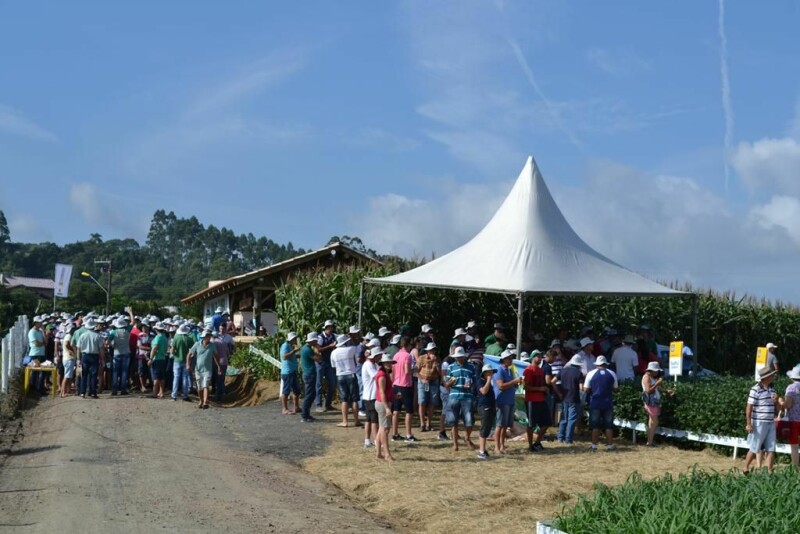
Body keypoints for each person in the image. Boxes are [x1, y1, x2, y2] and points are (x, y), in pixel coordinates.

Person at [742, 367, 779, 474]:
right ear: (766, 377)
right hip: (759, 422)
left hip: (770, 421)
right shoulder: (755, 389)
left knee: (771, 448)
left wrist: (776, 402)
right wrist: (749, 424)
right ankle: (745, 467)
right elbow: (749, 407)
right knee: (754, 447)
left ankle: (769, 471)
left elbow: (776, 408)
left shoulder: (772, 389)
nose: (773, 377)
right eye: (772, 375)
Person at [584, 355, 618, 452]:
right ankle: (609, 445)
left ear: (597, 364)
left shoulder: (591, 374)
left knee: (595, 426)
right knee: (608, 425)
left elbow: (586, 389)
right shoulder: (612, 373)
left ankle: (594, 446)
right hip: (608, 402)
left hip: (595, 402)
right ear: (605, 364)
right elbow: (615, 388)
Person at [444, 347, 476, 452]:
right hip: (454, 396)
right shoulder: (451, 367)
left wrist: (471, 384)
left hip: (467, 396)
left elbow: (475, 381)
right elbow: (446, 384)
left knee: (469, 420)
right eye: (457, 357)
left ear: (464, 356)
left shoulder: (471, 367)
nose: (458, 359)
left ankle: (467, 438)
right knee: (454, 421)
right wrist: (451, 382)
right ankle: (455, 444)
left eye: (460, 357)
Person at [493, 350, 522, 454]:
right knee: (499, 425)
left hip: (509, 400)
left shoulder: (509, 370)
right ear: (503, 360)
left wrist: (515, 384)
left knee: (505, 425)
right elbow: (501, 386)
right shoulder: (499, 370)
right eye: (508, 358)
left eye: (511, 358)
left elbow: (509, 384)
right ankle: (496, 447)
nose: (510, 360)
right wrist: (514, 381)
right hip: (502, 401)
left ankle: (502, 446)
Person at [331, 334, 361, 427]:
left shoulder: (334, 352)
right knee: (354, 399)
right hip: (351, 374)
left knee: (344, 399)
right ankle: (356, 420)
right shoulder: (351, 349)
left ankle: (345, 421)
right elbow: (359, 348)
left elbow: (333, 366)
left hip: (340, 375)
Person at [641, 361, 674, 447]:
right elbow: (648, 391)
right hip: (651, 403)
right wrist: (657, 383)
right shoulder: (646, 377)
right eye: (656, 371)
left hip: (653, 402)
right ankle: (650, 442)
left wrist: (666, 391)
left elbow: (657, 388)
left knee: (651, 422)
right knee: (655, 422)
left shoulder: (651, 377)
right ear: (651, 370)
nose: (657, 372)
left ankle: (649, 441)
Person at [391, 337, 417, 442]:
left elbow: (392, 370)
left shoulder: (396, 355)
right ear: (408, 345)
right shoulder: (407, 356)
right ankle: (408, 434)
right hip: (405, 385)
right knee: (408, 411)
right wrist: (414, 369)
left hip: (396, 384)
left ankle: (395, 433)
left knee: (396, 410)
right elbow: (407, 371)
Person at [523, 350, 550, 452]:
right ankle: (530, 445)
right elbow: (525, 387)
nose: (540, 358)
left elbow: (542, 384)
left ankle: (537, 442)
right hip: (531, 400)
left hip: (541, 399)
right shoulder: (528, 370)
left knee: (547, 422)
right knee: (531, 424)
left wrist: (545, 389)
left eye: (540, 356)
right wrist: (540, 389)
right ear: (533, 358)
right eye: (538, 356)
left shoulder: (541, 371)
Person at [188, 329, 219, 409]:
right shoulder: (197, 344)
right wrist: (188, 364)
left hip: (208, 369)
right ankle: (201, 400)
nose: (207, 338)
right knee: (199, 388)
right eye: (206, 336)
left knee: (206, 386)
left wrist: (218, 366)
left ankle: (205, 402)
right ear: (203, 337)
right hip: (198, 369)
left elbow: (215, 356)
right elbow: (189, 354)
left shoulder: (212, 345)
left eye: (208, 336)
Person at [374, 353, 397, 462]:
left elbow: (385, 391)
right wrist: (387, 407)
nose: (389, 364)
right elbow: (382, 392)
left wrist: (393, 395)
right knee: (385, 429)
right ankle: (387, 454)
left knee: (382, 428)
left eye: (390, 362)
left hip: (383, 403)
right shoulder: (382, 375)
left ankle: (378, 453)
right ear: (382, 363)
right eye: (387, 362)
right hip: (383, 404)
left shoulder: (384, 374)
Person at [556, 355, 583, 445]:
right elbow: (581, 387)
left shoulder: (562, 370)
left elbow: (552, 381)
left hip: (564, 397)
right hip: (574, 398)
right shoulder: (579, 373)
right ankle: (568, 440)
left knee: (564, 418)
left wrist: (559, 392)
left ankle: (560, 437)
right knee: (571, 419)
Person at [777, 365, 800, 466]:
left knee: (794, 446)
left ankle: (796, 469)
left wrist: (781, 401)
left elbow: (788, 405)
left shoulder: (791, 388)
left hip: (794, 420)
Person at [76, 318, 104, 399]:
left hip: (85, 355)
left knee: (84, 374)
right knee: (93, 375)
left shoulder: (82, 335)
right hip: (94, 356)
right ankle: (93, 392)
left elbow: (78, 348)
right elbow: (101, 348)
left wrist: (78, 359)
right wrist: (102, 359)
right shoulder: (98, 336)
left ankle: (82, 392)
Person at [417, 342, 441, 433]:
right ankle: (422, 423)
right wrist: (422, 379)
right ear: (427, 351)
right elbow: (416, 371)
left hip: (434, 381)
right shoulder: (421, 358)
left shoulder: (437, 359)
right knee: (422, 402)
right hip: (423, 381)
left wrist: (436, 362)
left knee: (432, 402)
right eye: (431, 350)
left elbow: (439, 373)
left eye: (433, 350)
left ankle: (429, 423)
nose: (432, 352)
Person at [361, 348, 383, 447]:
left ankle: (367, 440)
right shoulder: (369, 365)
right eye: (379, 356)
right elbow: (377, 376)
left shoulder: (372, 364)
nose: (381, 358)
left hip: (368, 396)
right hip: (371, 396)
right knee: (374, 420)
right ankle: (376, 440)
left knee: (369, 420)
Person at [315, 320, 337, 413]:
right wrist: (329, 346)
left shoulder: (334, 336)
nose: (330, 329)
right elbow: (318, 348)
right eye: (328, 327)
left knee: (332, 384)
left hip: (329, 363)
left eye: (331, 327)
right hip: (320, 362)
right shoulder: (320, 337)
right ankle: (318, 405)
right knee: (319, 384)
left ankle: (328, 404)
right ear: (325, 328)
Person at [476, 364, 497, 460]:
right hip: (484, 407)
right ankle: (481, 451)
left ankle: (484, 450)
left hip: (491, 407)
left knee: (487, 429)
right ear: (484, 374)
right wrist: (488, 380)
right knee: (484, 429)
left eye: (492, 372)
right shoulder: (480, 381)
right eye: (489, 372)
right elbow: (483, 391)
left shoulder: (489, 383)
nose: (491, 374)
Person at [170, 322, 194, 402]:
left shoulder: (176, 337)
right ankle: (185, 395)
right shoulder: (189, 339)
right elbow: (192, 351)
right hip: (186, 361)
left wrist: (175, 354)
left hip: (177, 360)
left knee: (176, 378)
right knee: (185, 378)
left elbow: (172, 350)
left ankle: (174, 395)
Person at [300, 332, 320, 422]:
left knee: (311, 394)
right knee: (309, 395)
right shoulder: (308, 350)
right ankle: (305, 415)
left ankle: (306, 414)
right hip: (310, 374)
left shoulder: (305, 348)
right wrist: (317, 350)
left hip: (307, 373)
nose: (316, 342)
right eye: (315, 340)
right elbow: (318, 359)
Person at [108, 317, 131, 396]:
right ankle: (123, 389)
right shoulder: (127, 330)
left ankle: (114, 390)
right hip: (126, 353)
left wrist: (112, 346)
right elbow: (133, 322)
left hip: (116, 353)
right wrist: (130, 313)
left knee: (115, 372)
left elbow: (108, 341)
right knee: (124, 372)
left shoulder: (114, 332)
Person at [280, 332, 301, 415]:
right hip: (287, 372)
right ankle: (284, 409)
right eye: (295, 339)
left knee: (296, 390)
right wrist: (294, 351)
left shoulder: (289, 346)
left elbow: (290, 356)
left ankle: (296, 407)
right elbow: (284, 357)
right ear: (292, 339)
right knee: (286, 391)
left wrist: (297, 355)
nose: (296, 340)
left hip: (292, 371)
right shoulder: (285, 346)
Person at [149, 322, 169, 399]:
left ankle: (155, 393)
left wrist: (151, 358)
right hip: (163, 358)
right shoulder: (164, 337)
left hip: (156, 358)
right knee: (161, 377)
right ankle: (161, 392)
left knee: (156, 377)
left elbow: (155, 347)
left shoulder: (158, 337)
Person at [60, 322, 77, 398]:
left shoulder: (68, 335)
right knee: (67, 376)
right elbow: (67, 344)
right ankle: (63, 392)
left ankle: (67, 390)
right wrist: (72, 350)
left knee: (68, 375)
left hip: (68, 358)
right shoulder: (69, 336)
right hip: (68, 358)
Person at [136, 322, 152, 393]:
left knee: (147, 371)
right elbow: (139, 346)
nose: (144, 328)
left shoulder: (151, 335)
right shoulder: (140, 336)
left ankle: (146, 385)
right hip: (142, 355)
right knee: (141, 371)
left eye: (145, 327)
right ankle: (142, 386)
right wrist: (149, 348)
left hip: (149, 355)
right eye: (143, 327)